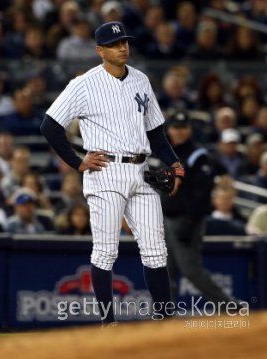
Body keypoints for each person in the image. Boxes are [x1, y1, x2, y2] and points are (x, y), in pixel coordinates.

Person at [40, 21, 184, 324]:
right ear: (99, 50)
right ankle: (108, 323)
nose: (123, 48)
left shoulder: (141, 80)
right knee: (106, 252)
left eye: (125, 42)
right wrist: (77, 161)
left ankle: (165, 322)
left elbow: (156, 131)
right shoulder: (83, 84)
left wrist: (174, 162)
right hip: (105, 172)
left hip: (141, 170)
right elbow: (50, 126)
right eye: (115, 44)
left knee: (157, 251)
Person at [161, 110, 241, 307]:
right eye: (175, 128)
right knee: (165, 270)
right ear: (169, 130)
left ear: (189, 130)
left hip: (186, 219)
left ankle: (228, 305)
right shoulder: (168, 153)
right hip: (166, 219)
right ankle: (165, 316)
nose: (179, 132)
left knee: (190, 269)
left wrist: (189, 221)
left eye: (183, 128)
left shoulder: (198, 155)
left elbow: (202, 193)